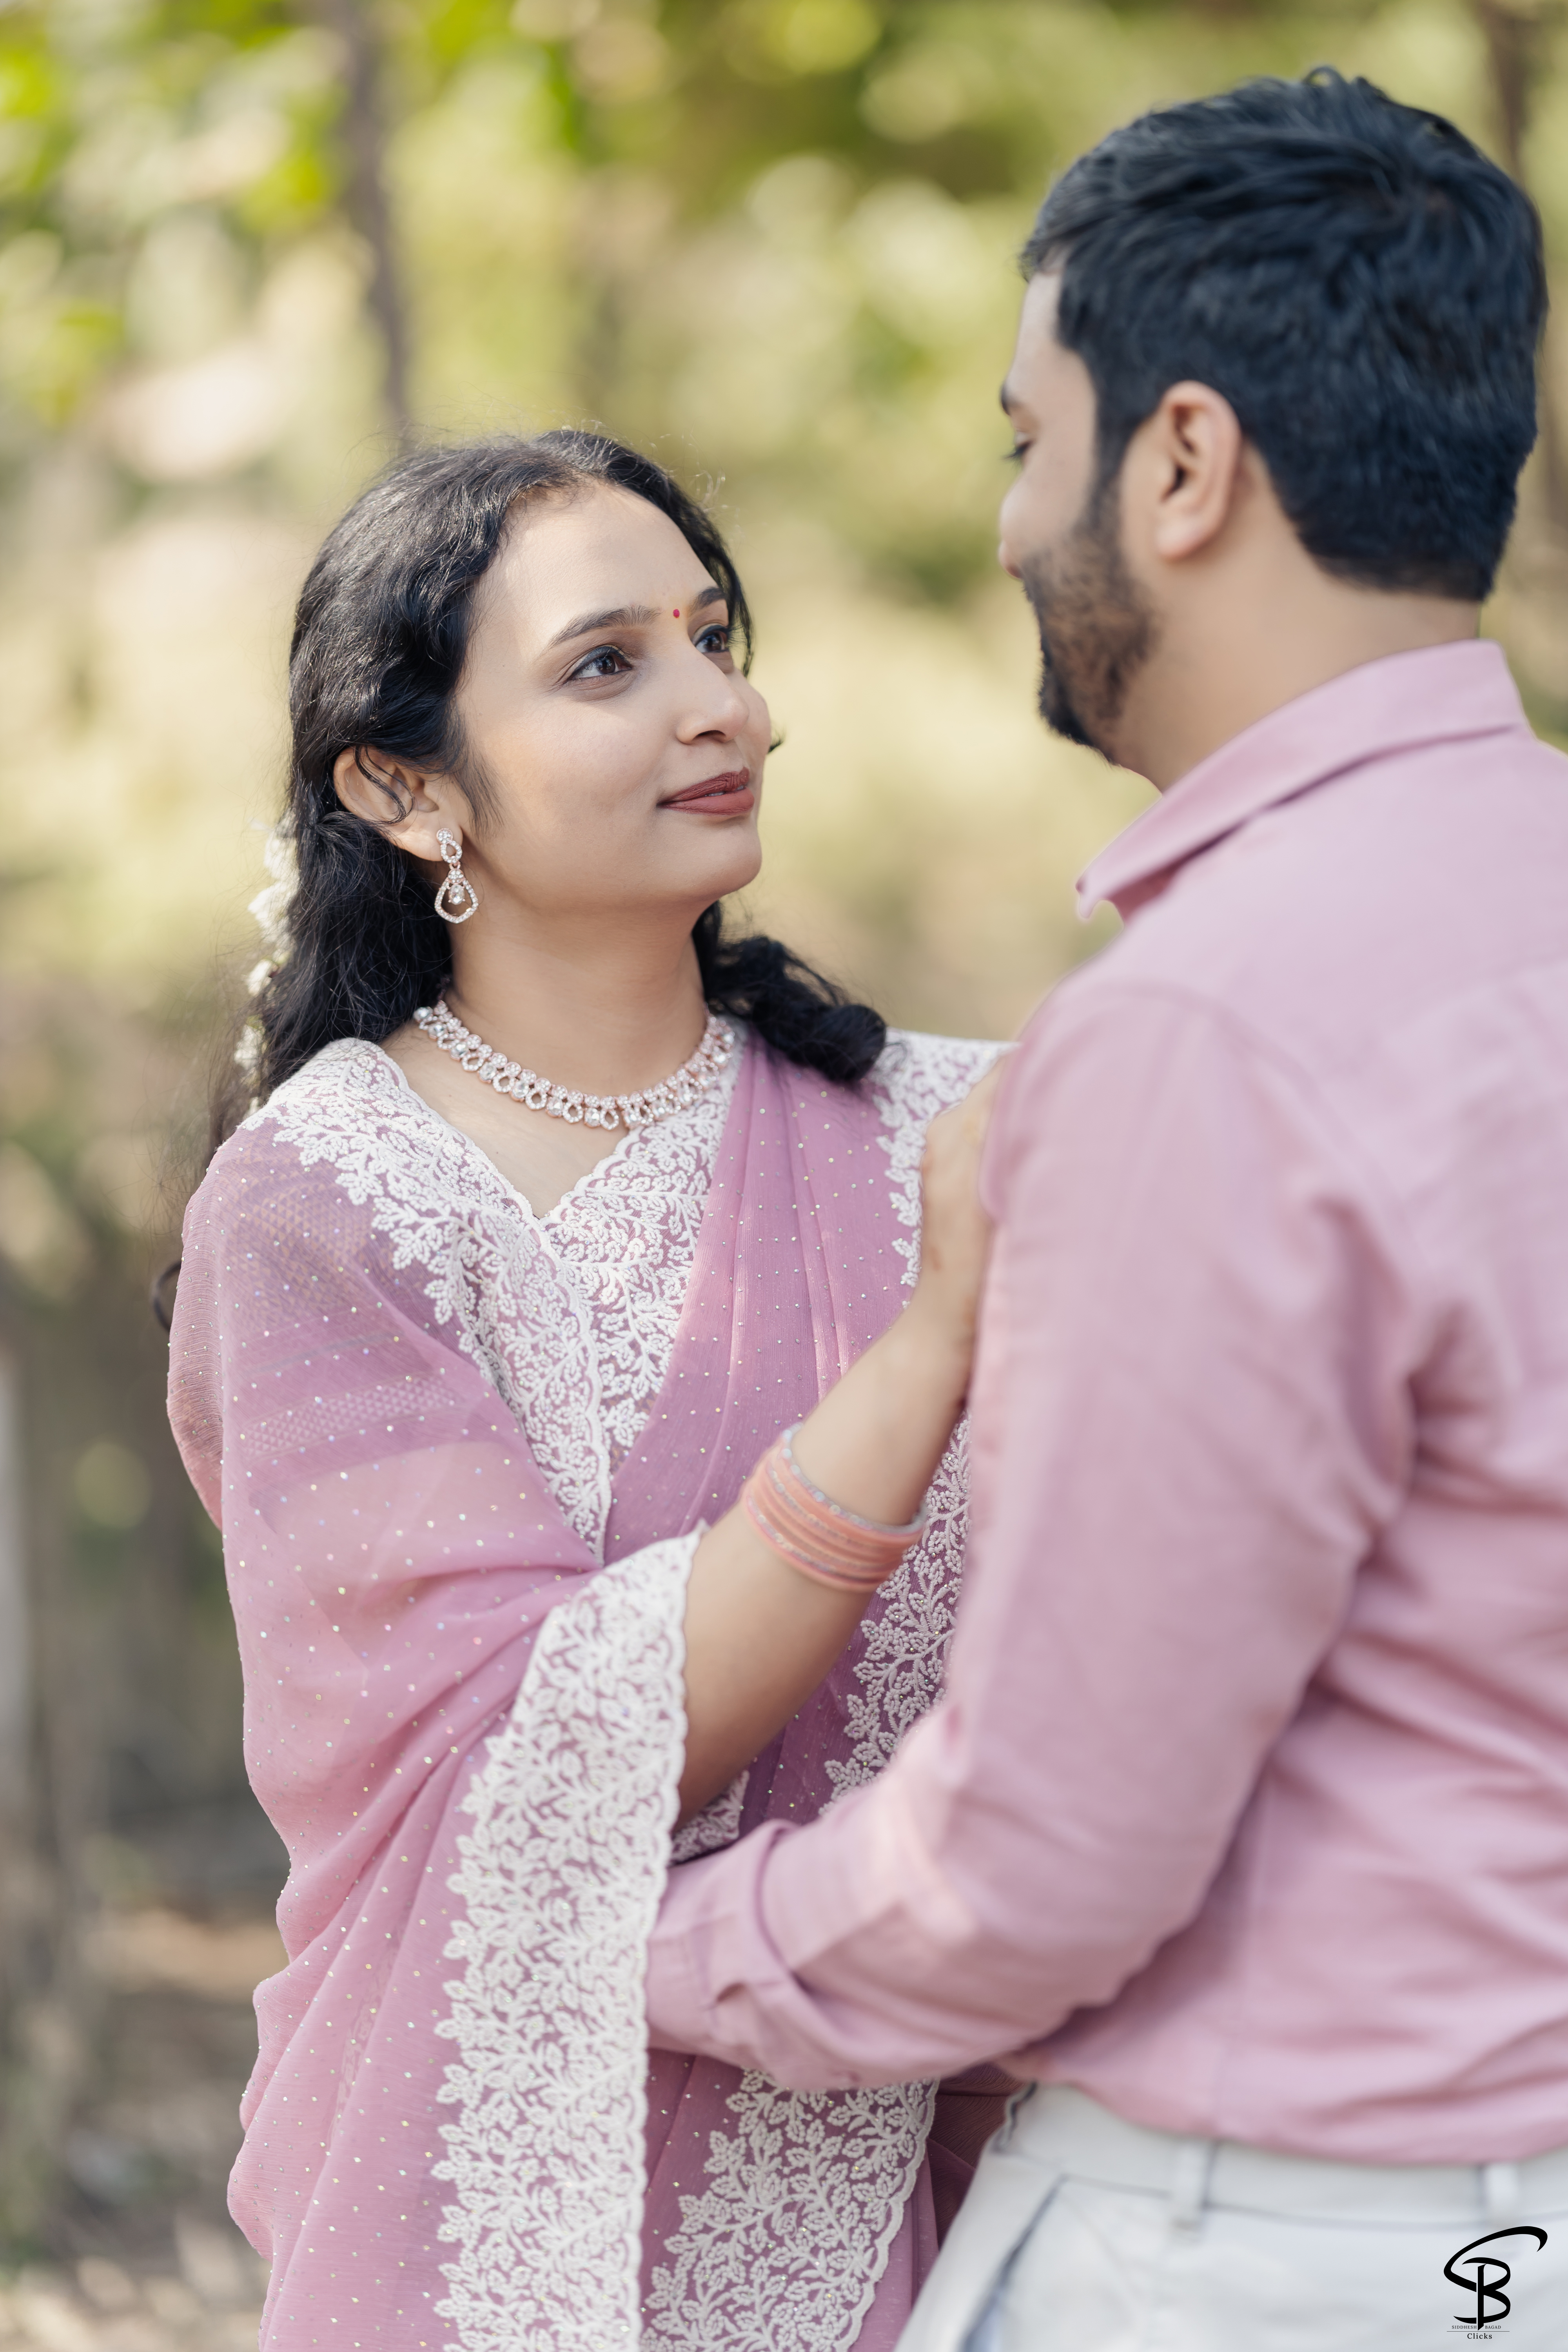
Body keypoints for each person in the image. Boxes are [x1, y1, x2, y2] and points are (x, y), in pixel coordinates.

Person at [642, 69, 1568, 2351]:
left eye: (1021, 433)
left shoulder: (1209, 1029)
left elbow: (1033, 1870)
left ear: (1180, 464)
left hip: (1282, 2250)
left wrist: (624, 1933)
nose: (1002, 520)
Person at [165, 431, 1009, 2351]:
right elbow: (538, 1757)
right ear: (402, 787)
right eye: (607, 663)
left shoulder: (942, 1132)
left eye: (716, 638)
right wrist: (936, 1345)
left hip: (953, 2192)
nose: (726, 707)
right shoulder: (330, 1214)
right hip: (482, 2209)